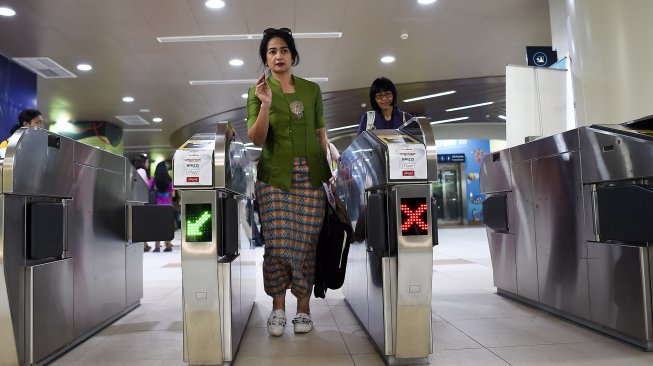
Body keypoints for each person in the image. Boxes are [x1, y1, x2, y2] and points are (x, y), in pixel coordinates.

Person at [247, 27, 331, 337]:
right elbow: (256, 138)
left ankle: (304, 310)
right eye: (271, 51)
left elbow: (321, 133)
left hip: (312, 176)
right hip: (274, 178)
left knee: (307, 243)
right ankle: (278, 308)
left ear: (292, 55)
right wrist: (266, 104)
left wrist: (330, 173)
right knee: (278, 243)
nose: (278, 55)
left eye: (283, 50)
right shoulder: (257, 90)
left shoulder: (312, 90)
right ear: (266, 59)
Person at [148, 161, 175, 252]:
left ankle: (157, 246)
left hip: (157, 205)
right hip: (168, 205)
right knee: (167, 226)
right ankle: (168, 245)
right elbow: (173, 194)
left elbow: (148, 188)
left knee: (158, 226)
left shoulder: (154, 180)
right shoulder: (170, 180)